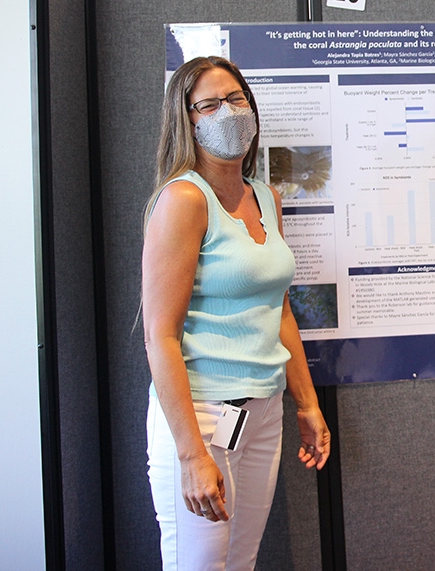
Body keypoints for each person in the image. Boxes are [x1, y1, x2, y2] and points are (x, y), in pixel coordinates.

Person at [142, 56, 331, 570]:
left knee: (241, 562)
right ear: (188, 120)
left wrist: (307, 404)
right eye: (208, 104)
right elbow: (159, 336)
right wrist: (190, 454)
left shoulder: (266, 198)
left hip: (263, 410)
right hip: (202, 415)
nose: (227, 112)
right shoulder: (183, 199)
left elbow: (280, 312)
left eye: (235, 99)